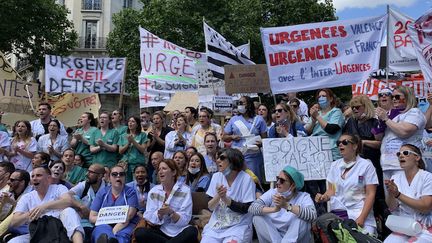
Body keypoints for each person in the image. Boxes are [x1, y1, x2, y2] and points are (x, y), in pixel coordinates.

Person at [315, 134, 378, 234]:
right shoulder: (334, 165)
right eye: (338, 143)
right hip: (338, 215)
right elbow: (331, 190)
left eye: (344, 142)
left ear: (355, 146)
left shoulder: (366, 165)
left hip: (360, 214)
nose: (340, 145)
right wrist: (324, 197)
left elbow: (371, 194)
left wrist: (361, 218)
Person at [9, 166, 84, 243]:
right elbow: (14, 222)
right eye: (33, 176)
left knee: (69, 211)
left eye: (38, 175)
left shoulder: (59, 188)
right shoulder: (27, 197)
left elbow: (68, 201)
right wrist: (31, 213)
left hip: (60, 231)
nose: (34, 178)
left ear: (48, 178)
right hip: (38, 233)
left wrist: (44, 207)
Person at [134, 159, 198, 242]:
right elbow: (148, 215)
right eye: (159, 169)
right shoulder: (154, 191)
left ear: (173, 172)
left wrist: (171, 212)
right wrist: (159, 215)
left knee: (192, 231)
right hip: (160, 230)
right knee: (140, 233)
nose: (160, 172)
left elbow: (186, 218)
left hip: (180, 231)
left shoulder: (185, 190)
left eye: (164, 168)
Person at [201, 148, 256, 243]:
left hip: (238, 227)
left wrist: (226, 199)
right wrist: (218, 196)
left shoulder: (246, 179)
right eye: (218, 158)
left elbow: (246, 209)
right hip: (216, 226)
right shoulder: (216, 176)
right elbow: (210, 206)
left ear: (232, 161)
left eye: (222, 158)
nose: (218, 160)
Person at [249, 165, 316, 243]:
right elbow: (252, 208)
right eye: (277, 179)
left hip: (295, 239)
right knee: (257, 217)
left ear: (293, 185)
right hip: (274, 237)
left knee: (303, 218)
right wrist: (274, 209)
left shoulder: (304, 197)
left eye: (282, 180)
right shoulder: (272, 193)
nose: (277, 183)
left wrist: (286, 205)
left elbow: (312, 215)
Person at [304, 89, 344, 215]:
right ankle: (321, 214)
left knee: (331, 186)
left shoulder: (336, 112)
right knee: (318, 187)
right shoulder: (318, 114)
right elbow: (308, 130)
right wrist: (313, 118)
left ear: (331, 99)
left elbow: (331, 129)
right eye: (319, 96)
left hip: (331, 154)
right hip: (316, 156)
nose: (321, 98)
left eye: (324, 96)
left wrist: (318, 117)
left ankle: (334, 213)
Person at [376, 86, 426, 180]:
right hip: (388, 164)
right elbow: (378, 138)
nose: (394, 99)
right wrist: (380, 123)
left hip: (405, 164)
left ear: (407, 97)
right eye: (393, 97)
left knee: (404, 193)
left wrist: (386, 119)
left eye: (397, 97)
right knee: (390, 194)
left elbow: (404, 132)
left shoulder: (414, 112)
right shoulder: (394, 116)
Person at [384, 144, 432, 242]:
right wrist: (391, 193)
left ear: (417, 157)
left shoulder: (427, 177)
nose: (401, 156)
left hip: (424, 228)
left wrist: (398, 194)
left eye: (406, 153)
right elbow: (392, 207)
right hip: (403, 225)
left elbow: (425, 207)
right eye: (399, 154)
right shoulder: (395, 177)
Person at [222, 96, 267, 181]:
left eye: (242, 103)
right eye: (238, 103)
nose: (239, 105)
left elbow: (265, 139)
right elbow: (224, 137)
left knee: (253, 181)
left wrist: (260, 143)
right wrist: (232, 137)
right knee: (237, 181)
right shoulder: (233, 119)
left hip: (253, 157)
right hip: (236, 157)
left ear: (249, 105)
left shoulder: (259, 119)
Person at [90, 165, 139, 243]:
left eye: (121, 174)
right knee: (101, 232)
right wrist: (109, 220)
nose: (118, 176)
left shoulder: (130, 192)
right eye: (114, 174)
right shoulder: (102, 192)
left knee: (122, 235)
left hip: (126, 224)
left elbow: (129, 215)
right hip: (105, 224)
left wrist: (114, 230)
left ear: (125, 178)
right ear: (109, 178)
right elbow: (92, 217)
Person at [69, 163, 106, 243]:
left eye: (91, 172)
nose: (86, 174)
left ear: (100, 176)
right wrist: (81, 206)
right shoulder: (84, 185)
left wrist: (90, 214)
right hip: (82, 223)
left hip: (99, 223)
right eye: (87, 171)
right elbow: (67, 196)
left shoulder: (108, 188)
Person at [0, 170, 31, 237]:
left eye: (12, 180)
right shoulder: (8, 189)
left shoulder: (31, 194)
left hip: (23, 229)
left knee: (16, 212)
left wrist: (11, 201)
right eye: (9, 179)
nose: (8, 182)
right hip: (5, 222)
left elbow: (26, 209)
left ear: (22, 182)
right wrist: (2, 203)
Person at [119, 116, 149, 182]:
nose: (130, 123)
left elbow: (143, 150)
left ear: (137, 124)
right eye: (129, 121)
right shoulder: (123, 136)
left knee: (136, 184)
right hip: (126, 165)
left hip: (137, 164)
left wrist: (133, 141)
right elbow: (120, 151)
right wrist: (128, 143)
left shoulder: (142, 135)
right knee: (126, 185)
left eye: (133, 121)